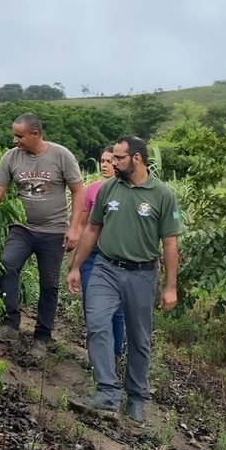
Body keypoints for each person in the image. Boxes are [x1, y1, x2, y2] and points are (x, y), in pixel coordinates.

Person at [66, 135, 180, 423]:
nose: (112, 162)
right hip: (105, 267)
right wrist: (76, 267)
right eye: (112, 157)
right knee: (97, 324)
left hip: (142, 274)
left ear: (136, 158)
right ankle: (106, 393)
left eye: (118, 158)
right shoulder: (107, 190)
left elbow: (169, 244)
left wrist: (170, 287)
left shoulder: (162, 195)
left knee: (139, 338)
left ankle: (137, 397)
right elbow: (92, 229)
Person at [0, 112, 84, 359]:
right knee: (7, 264)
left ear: (35, 134)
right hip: (22, 227)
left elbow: (78, 191)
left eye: (19, 135)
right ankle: (11, 323)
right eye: (14, 134)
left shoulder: (61, 156)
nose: (15, 140)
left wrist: (74, 228)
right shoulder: (11, 158)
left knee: (49, 283)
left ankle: (42, 336)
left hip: (53, 230)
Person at [76, 146, 125, 360]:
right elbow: (83, 225)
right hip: (92, 253)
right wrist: (74, 262)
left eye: (109, 160)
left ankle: (115, 354)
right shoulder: (92, 190)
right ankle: (97, 356)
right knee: (93, 306)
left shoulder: (129, 191)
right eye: (102, 161)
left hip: (117, 255)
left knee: (117, 311)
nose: (104, 164)